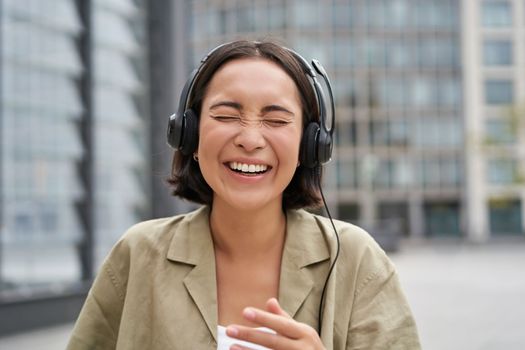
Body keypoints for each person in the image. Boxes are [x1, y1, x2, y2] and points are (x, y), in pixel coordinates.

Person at [67, 40, 420, 350]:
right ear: (189, 135)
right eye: (225, 115)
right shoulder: (139, 254)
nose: (250, 139)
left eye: (277, 120)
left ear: (309, 146)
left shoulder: (357, 261)